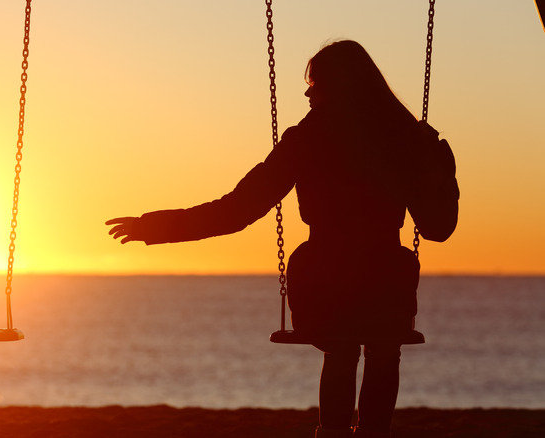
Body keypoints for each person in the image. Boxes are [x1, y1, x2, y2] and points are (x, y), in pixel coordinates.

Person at [106, 40, 455, 438]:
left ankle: (333, 432)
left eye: (315, 83)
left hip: (327, 281)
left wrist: (157, 227)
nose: (307, 93)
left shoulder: (307, 139)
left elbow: (238, 209)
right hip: (384, 286)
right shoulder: (405, 138)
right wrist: (441, 170)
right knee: (383, 347)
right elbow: (438, 228)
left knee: (341, 349)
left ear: (337, 85)